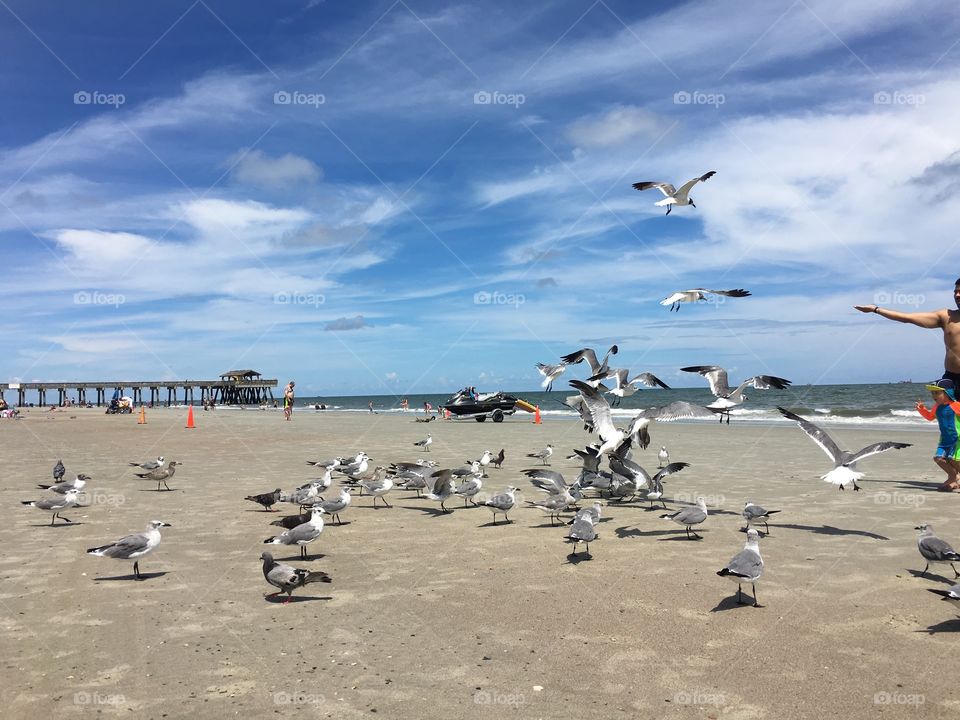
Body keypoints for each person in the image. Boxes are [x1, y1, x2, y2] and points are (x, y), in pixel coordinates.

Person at [856, 281, 960, 383]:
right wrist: (876, 309)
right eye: (955, 292)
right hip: (950, 378)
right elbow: (907, 318)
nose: (957, 295)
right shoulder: (946, 316)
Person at [916, 378, 960, 491]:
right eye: (932, 392)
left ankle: (955, 478)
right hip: (944, 440)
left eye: (937, 392)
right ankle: (952, 476)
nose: (933, 395)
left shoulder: (956, 406)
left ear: (948, 392)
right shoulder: (937, 407)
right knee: (938, 458)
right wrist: (922, 410)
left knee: (953, 459)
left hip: (957, 440)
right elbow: (930, 417)